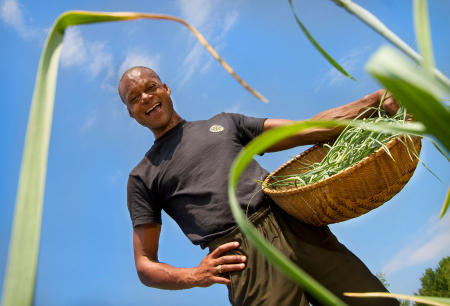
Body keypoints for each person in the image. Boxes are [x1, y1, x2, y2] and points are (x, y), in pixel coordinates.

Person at [119, 66, 399, 306]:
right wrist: (194, 275)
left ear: (166, 89)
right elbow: (145, 264)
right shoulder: (143, 176)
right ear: (131, 113)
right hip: (243, 258)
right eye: (134, 98)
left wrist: (371, 103)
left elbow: (303, 129)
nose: (146, 97)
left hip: (293, 223)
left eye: (151, 87)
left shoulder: (225, 124)